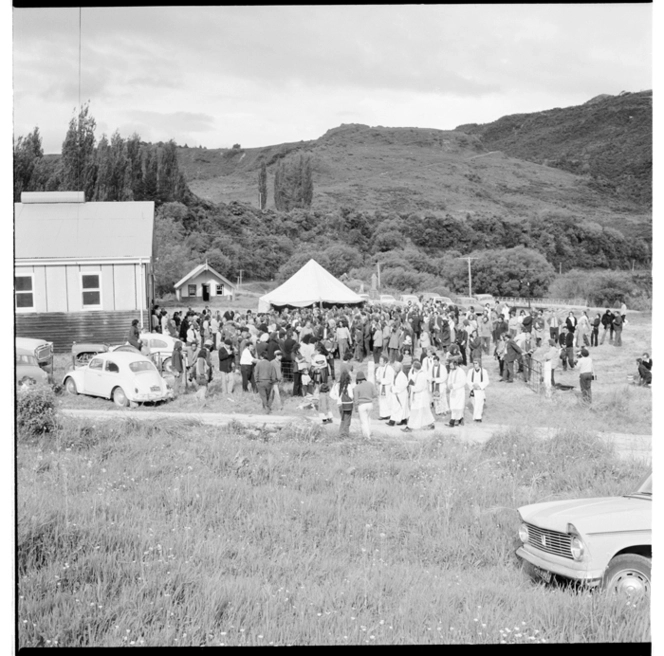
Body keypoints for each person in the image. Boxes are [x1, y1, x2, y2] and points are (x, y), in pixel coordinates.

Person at [403, 360, 435, 432]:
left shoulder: (421, 375)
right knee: (425, 411)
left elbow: (419, 387)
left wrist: (412, 387)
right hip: (420, 396)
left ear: (415, 368)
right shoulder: (419, 374)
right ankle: (431, 423)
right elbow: (413, 380)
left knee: (415, 412)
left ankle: (410, 427)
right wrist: (410, 383)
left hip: (420, 396)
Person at [330, 369, 355, 437]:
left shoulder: (336, 385)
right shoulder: (348, 385)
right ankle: (344, 434)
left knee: (343, 419)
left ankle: (341, 432)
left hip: (340, 404)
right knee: (347, 420)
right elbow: (351, 396)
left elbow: (331, 395)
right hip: (347, 404)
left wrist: (338, 398)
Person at [353, 371, 376, 440]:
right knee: (368, 419)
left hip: (361, 405)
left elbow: (356, 400)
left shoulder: (357, 387)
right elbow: (375, 394)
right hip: (370, 404)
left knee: (364, 421)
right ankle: (370, 432)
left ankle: (366, 436)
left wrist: (356, 407)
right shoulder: (370, 384)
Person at [387, 361, 409, 426]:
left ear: (399, 368)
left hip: (400, 394)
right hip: (397, 394)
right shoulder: (396, 374)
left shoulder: (402, 375)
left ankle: (392, 421)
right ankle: (403, 420)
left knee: (398, 408)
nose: (394, 368)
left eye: (395, 367)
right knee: (399, 408)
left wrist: (393, 389)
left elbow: (402, 386)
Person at [446, 359, 467, 427]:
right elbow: (449, 380)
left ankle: (453, 421)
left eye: (451, 365)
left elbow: (463, 382)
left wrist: (454, 386)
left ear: (455, 364)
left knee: (458, 406)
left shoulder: (461, 372)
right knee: (453, 405)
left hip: (459, 391)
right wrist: (449, 385)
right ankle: (459, 419)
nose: (450, 367)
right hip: (453, 391)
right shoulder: (451, 371)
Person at [375, 355, 395, 420]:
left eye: (381, 361)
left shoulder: (389, 368)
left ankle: (389, 414)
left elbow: (390, 379)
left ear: (385, 362)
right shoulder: (379, 368)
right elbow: (377, 375)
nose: (380, 362)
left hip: (387, 387)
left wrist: (381, 381)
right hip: (381, 386)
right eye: (379, 361)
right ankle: (383, 415)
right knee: (381, 401)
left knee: (388, 400)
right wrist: (378, 380)